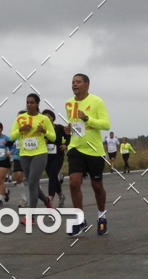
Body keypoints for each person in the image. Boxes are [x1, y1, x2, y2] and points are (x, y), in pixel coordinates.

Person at [65, 74, 111, 236]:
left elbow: (106, 124)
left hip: (94, 150)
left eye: (78, 82)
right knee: (73, 183)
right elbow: (75, 125)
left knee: (97, 186)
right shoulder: (69, 104)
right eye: (73, 82)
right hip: (75, 148)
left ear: (87, 84)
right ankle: (80, 221)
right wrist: (68, 129)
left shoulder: (97, 101)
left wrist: (87, 118)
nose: (74, 84)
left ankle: (102, 216)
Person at [10, 95, 55, 221]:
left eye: (32, 102)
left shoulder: (44, 119)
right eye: (27, 102)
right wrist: (21, 129)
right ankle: (46, 200)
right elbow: (12, 136)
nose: (29, 105)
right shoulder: (20, 118)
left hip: (40, 153)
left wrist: (44, 131)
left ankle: (31, 216)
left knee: (32, 183)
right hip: (25, 154)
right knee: (32, 183)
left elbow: (53, 137)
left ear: (37, 104)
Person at [41, 109, 68, 208]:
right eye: (44, 117)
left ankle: (50, 197)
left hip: (58, 155)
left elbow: (69, 136)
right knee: (53, 177)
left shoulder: (59, 128)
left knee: (53, 174)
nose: (46, 118)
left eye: (48, 116)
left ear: (53, 117)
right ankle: (61, 196)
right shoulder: (42, 129)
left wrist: (66, 145)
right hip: (46, 156)